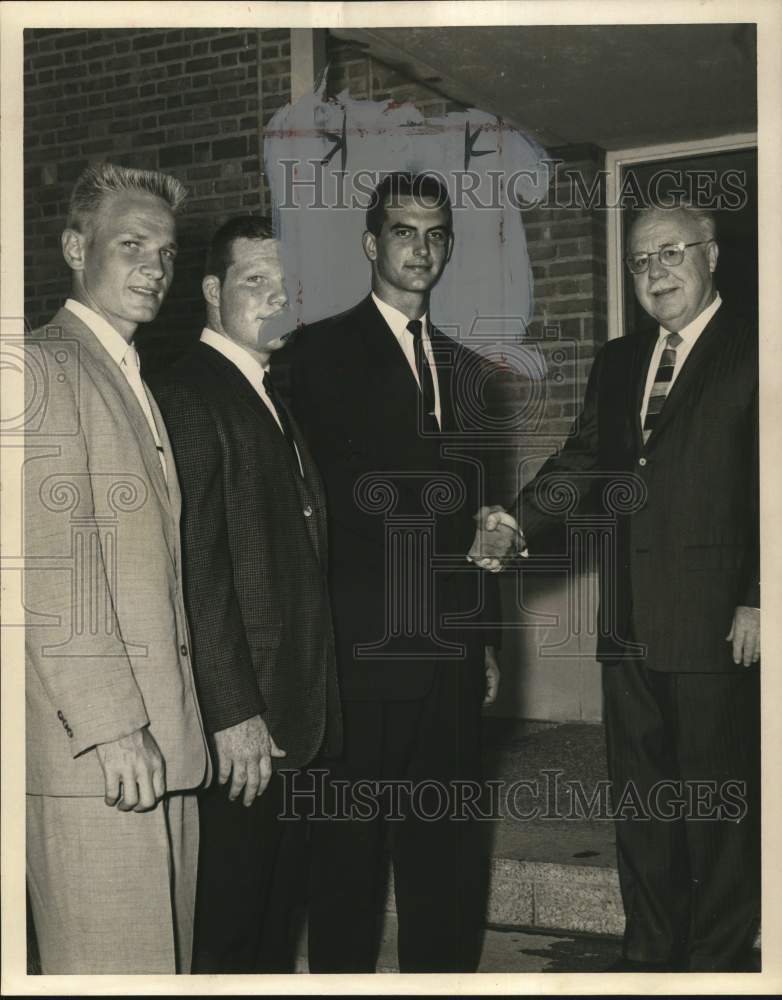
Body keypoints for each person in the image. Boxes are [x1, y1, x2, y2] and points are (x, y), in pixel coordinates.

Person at [470, 200, 760, 972]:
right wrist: (515, 525)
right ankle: (651, 958)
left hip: (718, 625)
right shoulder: (621, 362)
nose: (656, 273)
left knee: (719, 813)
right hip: (627, 624)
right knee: (643, 807)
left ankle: (720, 967)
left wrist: (761, 594)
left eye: (672, 253)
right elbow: (582, 463)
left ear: (711, 255)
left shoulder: (758, 344)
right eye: (640, 261)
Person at [279, 173, 501, 973]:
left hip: (449, 652)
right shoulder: (315, 354)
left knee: (446, 853)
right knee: (349, 860)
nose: (422, 247)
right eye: (405, 231)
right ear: (372, 243)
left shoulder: (469, 371)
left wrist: (484, 637)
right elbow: (317, 508)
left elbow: (479, 514)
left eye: (436, 234)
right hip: (361, 655)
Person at [24, 162, 210, 973]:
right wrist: (110, 726)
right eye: (131, 244)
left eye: (166, 253)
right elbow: (48, 566)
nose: (154, 267)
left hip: (158, 747)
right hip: (103, 758)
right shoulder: (41, 366)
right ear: (75, 248)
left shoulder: (130, 376)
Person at [148, 216, 341, 973]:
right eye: (254, 281)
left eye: (286, 284)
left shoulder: (268, 393)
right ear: (209, 292)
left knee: (268, 931)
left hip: (290, 716)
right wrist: (234, 715)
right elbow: (196, 570)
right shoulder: (189, 395)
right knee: (228, 937)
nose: (276, 297)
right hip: (247, 731)